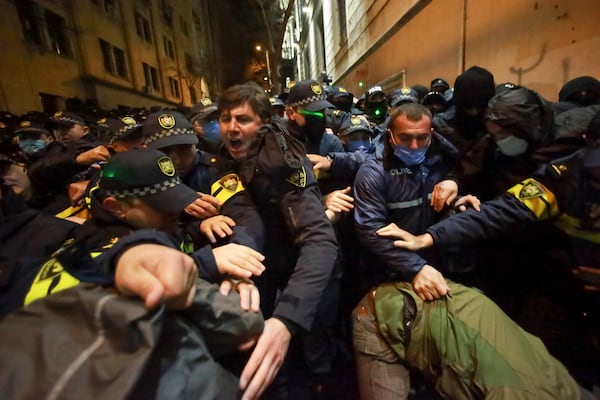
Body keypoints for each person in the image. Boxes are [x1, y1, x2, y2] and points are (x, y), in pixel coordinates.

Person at [217, 81, 338, 399]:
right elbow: (239, 206)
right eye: (225, 118)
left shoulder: (281, 161)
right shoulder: (226, 154)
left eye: (242, 119)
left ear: (262, 123)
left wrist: (287, 320)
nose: (231, 128)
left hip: (300, 261)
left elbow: (319, 240)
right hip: (263, 261)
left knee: (313, 329)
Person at [351, 102, 462, 399]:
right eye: (405, 138)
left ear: (432, 134)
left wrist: (456, 188)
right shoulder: (374, 172)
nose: (414, 145)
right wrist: (415, 267)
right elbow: (370, 231)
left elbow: (462, 170)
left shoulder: (440, 161)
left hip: (432, 269)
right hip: (385, 274)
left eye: (422, 138)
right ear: (390, 135)